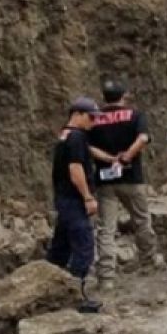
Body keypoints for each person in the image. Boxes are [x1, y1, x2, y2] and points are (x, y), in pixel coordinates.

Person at [87, 79, 161, 290]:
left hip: (105, 178)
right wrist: (126, 157)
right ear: (124, 96)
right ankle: (148, 262)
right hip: (131, 177)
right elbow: (143, 138)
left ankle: (106, 277)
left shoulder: (96, 118)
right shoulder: (134, 115)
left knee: (106, 228)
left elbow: (89, 147)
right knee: (141, 220)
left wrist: (110, 160)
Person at [47, 96, 104, 312]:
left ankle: (48, 290)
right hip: (73, 200)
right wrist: (88, 197)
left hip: (63, 198)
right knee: (84, 247)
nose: (94, 122)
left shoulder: (65, 135)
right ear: (77, 114)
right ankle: (75, 296)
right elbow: (75, 169)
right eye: (91, 117)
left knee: (59, 250)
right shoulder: (77, 137)